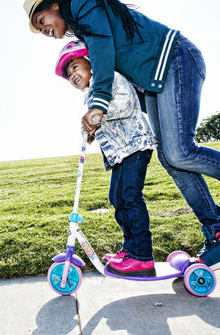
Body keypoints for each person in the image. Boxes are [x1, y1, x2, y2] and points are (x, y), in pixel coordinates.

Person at [23, 0, 220, 271]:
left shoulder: (82, 2)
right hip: (155, 83)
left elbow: (103, 50)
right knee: (172, 158)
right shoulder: (82, 28)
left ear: (54, 5)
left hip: (175, 59)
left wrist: (99, 103)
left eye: (42, 21)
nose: (44, 31)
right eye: (39, 29)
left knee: (179, 151)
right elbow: (120, 72)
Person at [55, 39, 158, 276]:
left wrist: (97, 116)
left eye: (75, 67)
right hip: (120, 154)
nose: (72, 75)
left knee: (131, 197)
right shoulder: (90, 96)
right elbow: (103, 122)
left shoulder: (108, 78)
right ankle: (130, 249)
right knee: (117, 198)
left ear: (90, 63)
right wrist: (92, 133)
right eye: (68, 74)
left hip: (135, 146)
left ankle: (143, 255)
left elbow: (125, 104)